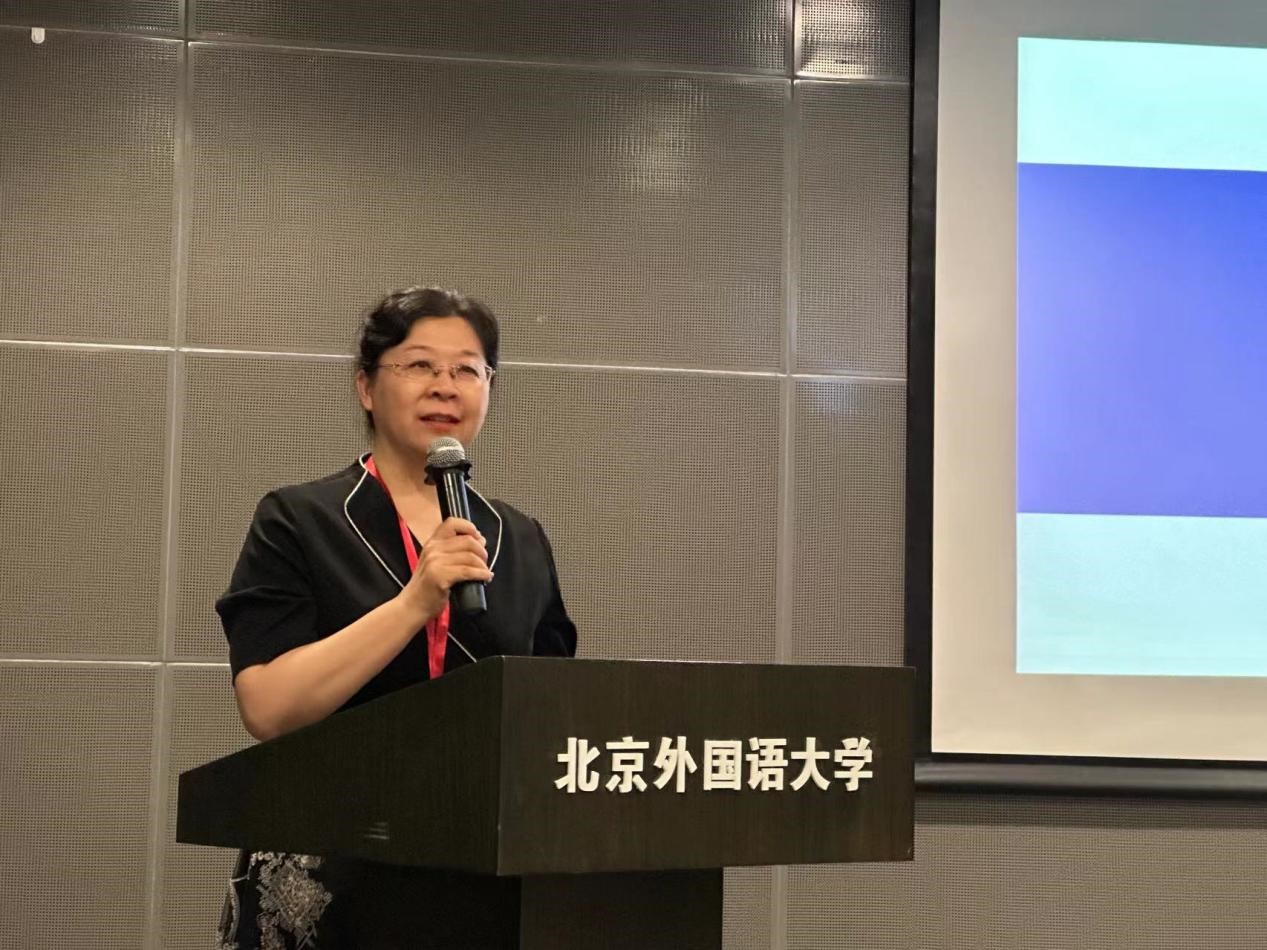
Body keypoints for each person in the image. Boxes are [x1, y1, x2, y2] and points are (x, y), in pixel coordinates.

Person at [214, 286, 578, 949]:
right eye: (419, 365)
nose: (445, 385)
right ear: (366, 386)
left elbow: (548, 713)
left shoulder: (520, 538)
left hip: (475, 875)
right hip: (329, 876)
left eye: (467, 369)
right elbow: (268, 707)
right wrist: (413, 603)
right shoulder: (299, 520)